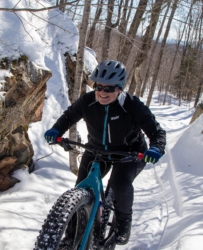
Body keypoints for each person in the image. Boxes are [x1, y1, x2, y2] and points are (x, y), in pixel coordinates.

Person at [44, 60, 166, 245]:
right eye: (98, 87)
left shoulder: (132, 105)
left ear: (119, 88)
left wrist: (156, 148)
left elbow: (157, 132)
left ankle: (123, 224)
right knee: (81, 187)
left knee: (119, 184)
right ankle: (70, 239)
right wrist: (56, 131)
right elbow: (69, 116)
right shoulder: (88, 101)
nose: (102, 92)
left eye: (109, 89)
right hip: (96, 150)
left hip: (130, 153)